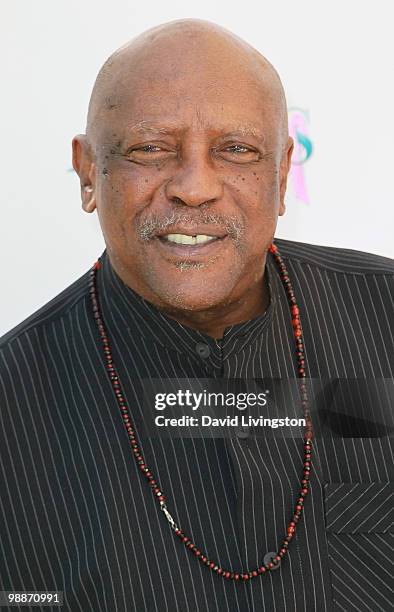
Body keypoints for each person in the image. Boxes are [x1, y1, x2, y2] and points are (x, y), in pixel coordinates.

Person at [0, 18, 393, 612]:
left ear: (282, 174)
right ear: (87, 174)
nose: (194, 187)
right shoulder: (12, 402)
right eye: (150, 149)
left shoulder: (383, 317)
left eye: (237, 150)